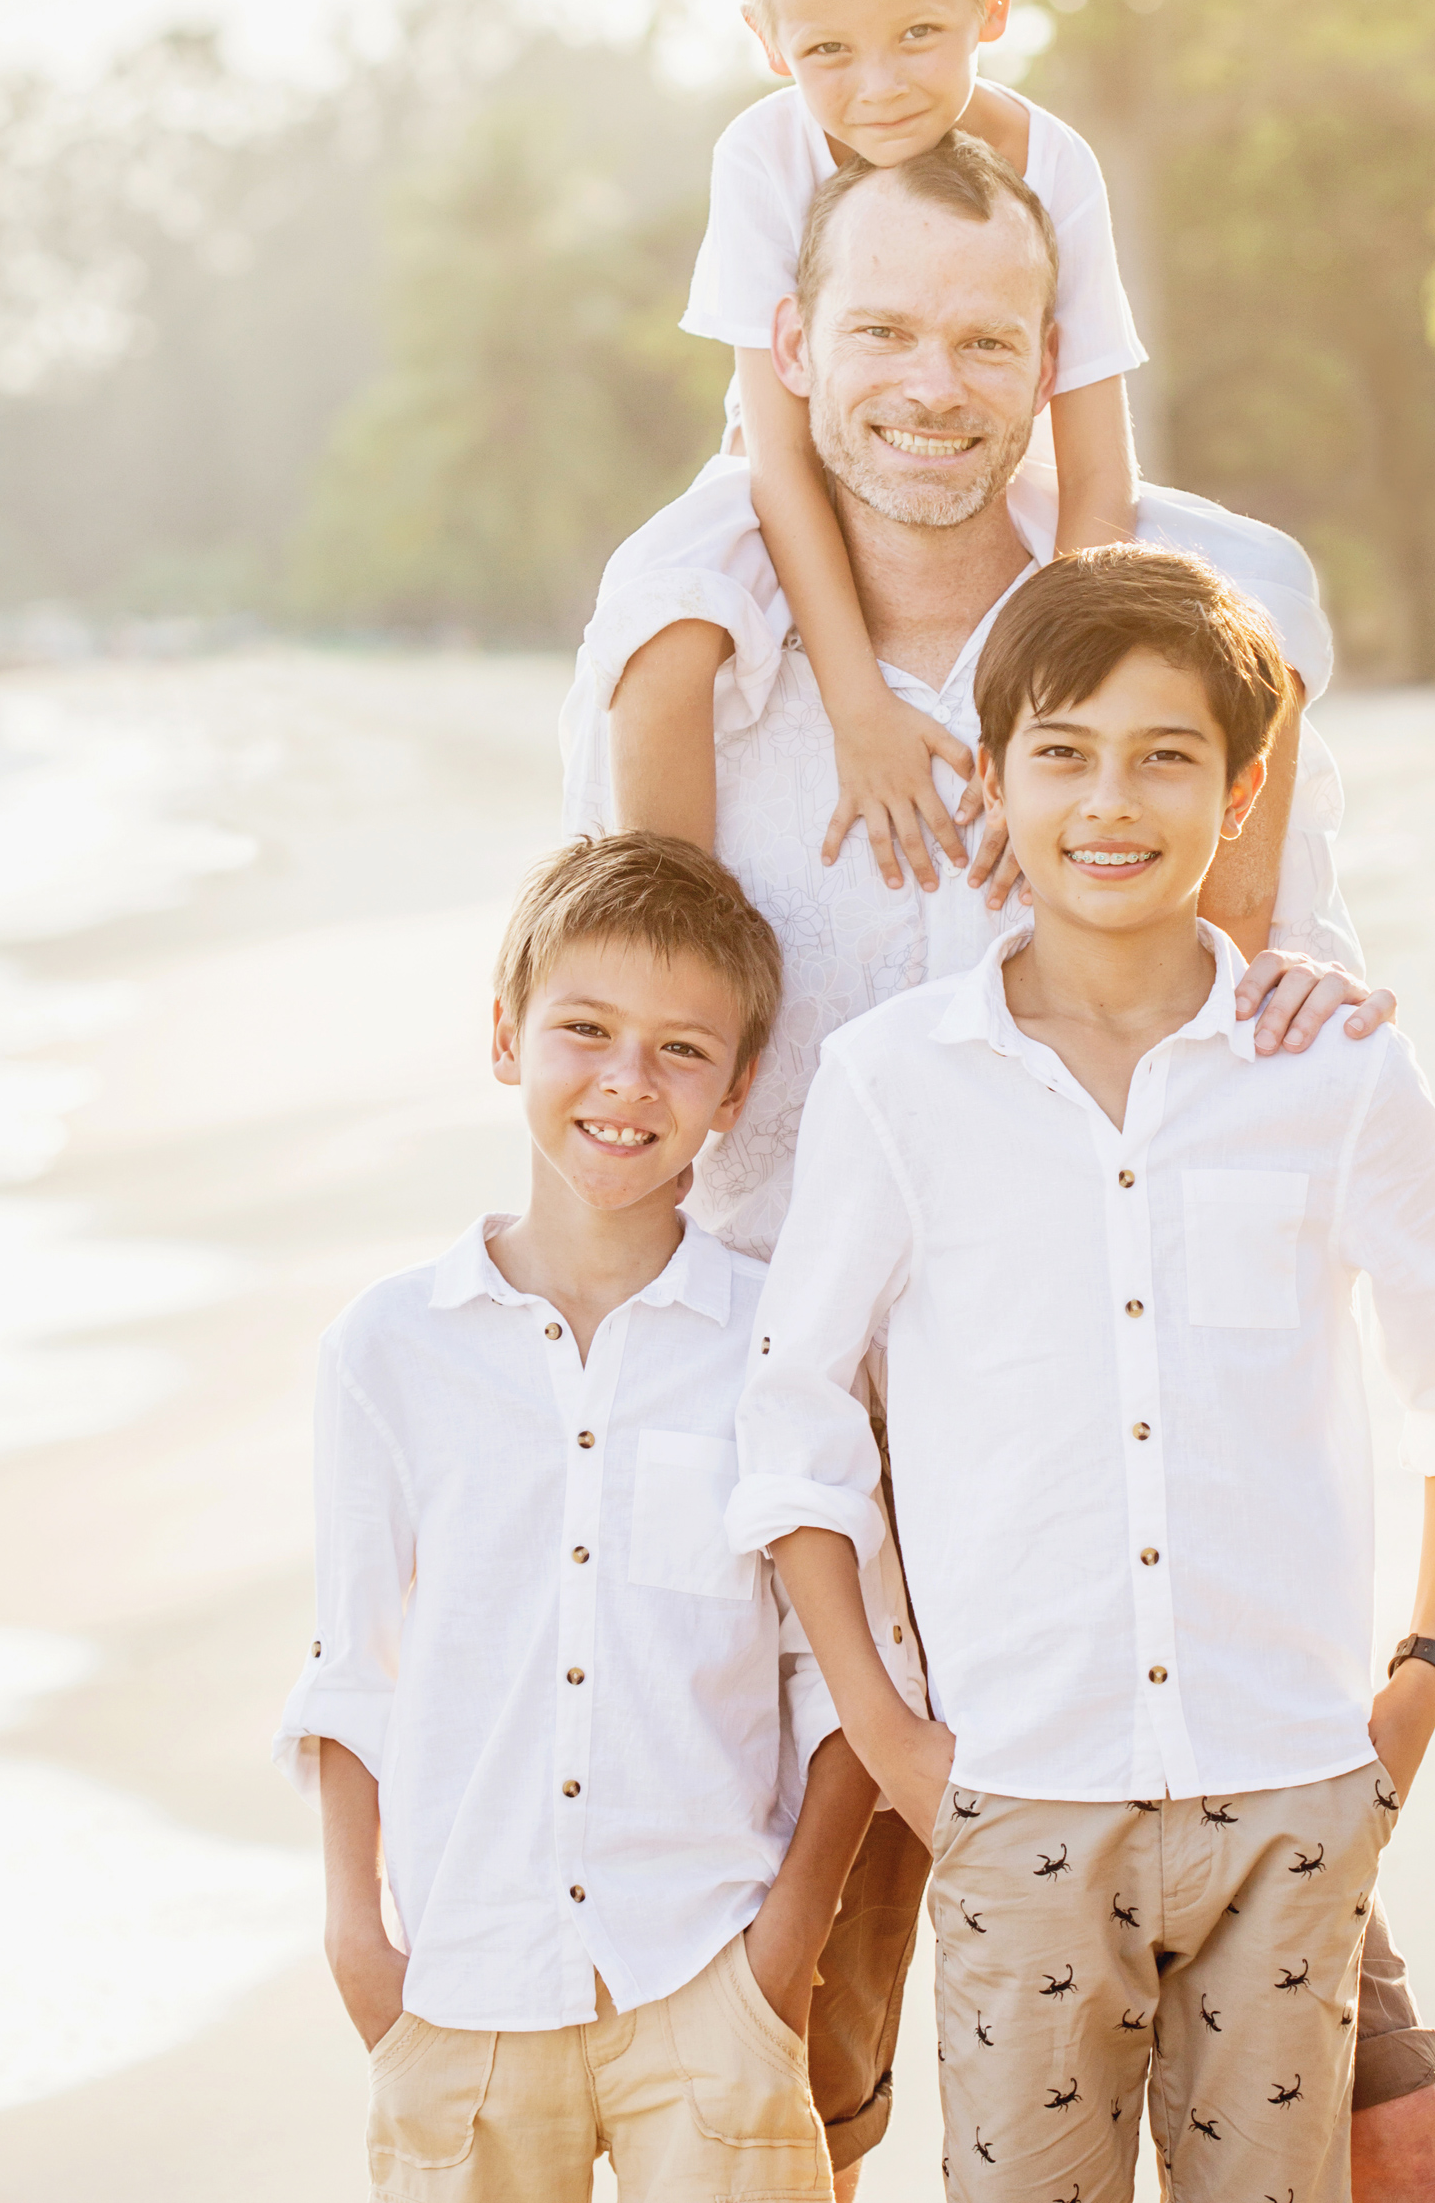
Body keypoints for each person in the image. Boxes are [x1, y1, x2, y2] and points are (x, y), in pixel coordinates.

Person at [560, 134, 1435, 2198]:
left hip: (1131, 1506)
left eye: (987, 338)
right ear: (790, 346)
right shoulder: (704, 618)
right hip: (806, 1500)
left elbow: (1272, 974)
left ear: (1053, 352)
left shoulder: (1196, 603)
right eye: (878, 328)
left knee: (1375, 2125)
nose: (930, 382)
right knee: (805, 2073)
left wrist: (1317, 993)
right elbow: (623, 1022)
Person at [732, 544, 1435, 2203]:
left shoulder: (1330, 1069)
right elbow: (793, 1415)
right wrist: (891, 1737)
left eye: (1167, 756)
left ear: (1241, 793)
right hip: (1017, 1796)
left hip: (1293, 1791)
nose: (1114, 801)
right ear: (996, 783)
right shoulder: (899, 1086)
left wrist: (1415, 1690)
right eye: (1066, 752)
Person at [273, 834, 911, 2202]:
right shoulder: (387, 1348)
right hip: (462, 1980)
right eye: (585, 1031)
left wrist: (782, 1950)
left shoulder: (778, 1347)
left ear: (739, 1089)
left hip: (706, 1967)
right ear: (505, 1038)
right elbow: (350, 1666)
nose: (627, 1082)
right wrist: (357, 1944)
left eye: (684, 1051)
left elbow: (843, 1673)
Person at [621, 0, 1147, 888]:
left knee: (1248, 586)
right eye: (827, 52)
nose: (880, 88)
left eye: (919, 34)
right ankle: (660, 927)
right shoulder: (763, 153)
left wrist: (1049, 706)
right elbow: (775, 455)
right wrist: (859, 709)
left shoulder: (1056, 164)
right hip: (787, 474)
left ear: (991, 3)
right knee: (663, 612)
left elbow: (1098, 469)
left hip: (982, 456)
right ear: (770, 44)